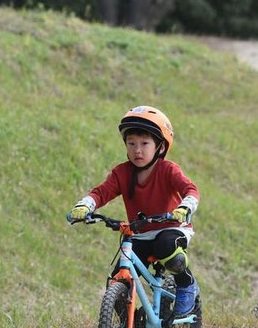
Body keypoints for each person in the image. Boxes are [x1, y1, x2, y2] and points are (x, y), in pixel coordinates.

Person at [67, 105, 201, 315]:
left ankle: (186, 284)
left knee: (168, 249)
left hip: (172, 227)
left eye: (145, 143)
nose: (137, 150)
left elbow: (191, 190)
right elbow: (101, 192)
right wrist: (85, 205)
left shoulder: (168, 170)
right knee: (117, 280)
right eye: (131, 144)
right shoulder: (122, 173)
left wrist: (185, 207)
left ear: (161, 147)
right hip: (141, 233)